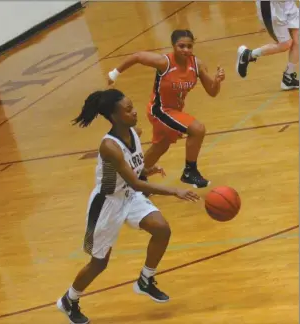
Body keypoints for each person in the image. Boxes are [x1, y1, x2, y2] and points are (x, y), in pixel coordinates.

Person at [56, 89, 200, 324]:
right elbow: (133, 181)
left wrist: (146, 170)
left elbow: (133, 172)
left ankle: (145, 279)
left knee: (162, 229)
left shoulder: (134, 132)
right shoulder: (109, 146)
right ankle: (69, 300)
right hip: (106, 204)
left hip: (128, 195)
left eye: (133, 107)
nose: (134, 112)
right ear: (114, 116)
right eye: (128, 110)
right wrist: (174, 190)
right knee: (99, 263)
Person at [107, 29, 225, 189]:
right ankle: (190, 172)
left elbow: (212, 92)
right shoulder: (165, 62)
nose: (185, 50)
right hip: (160, 110)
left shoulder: (197, 65)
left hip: (175, 112)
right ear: (173, 46)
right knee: (197, 129)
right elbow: (137, 56)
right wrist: (115, 72)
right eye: (181, 46)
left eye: (189, 46)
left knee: (160, 147)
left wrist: (217, 81)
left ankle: (135, 179)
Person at [236, 0, 299, 90]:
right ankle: (248, 55)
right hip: (273, 5)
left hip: (288, 4)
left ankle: (288, 77)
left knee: (298, 40)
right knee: (285, 44)